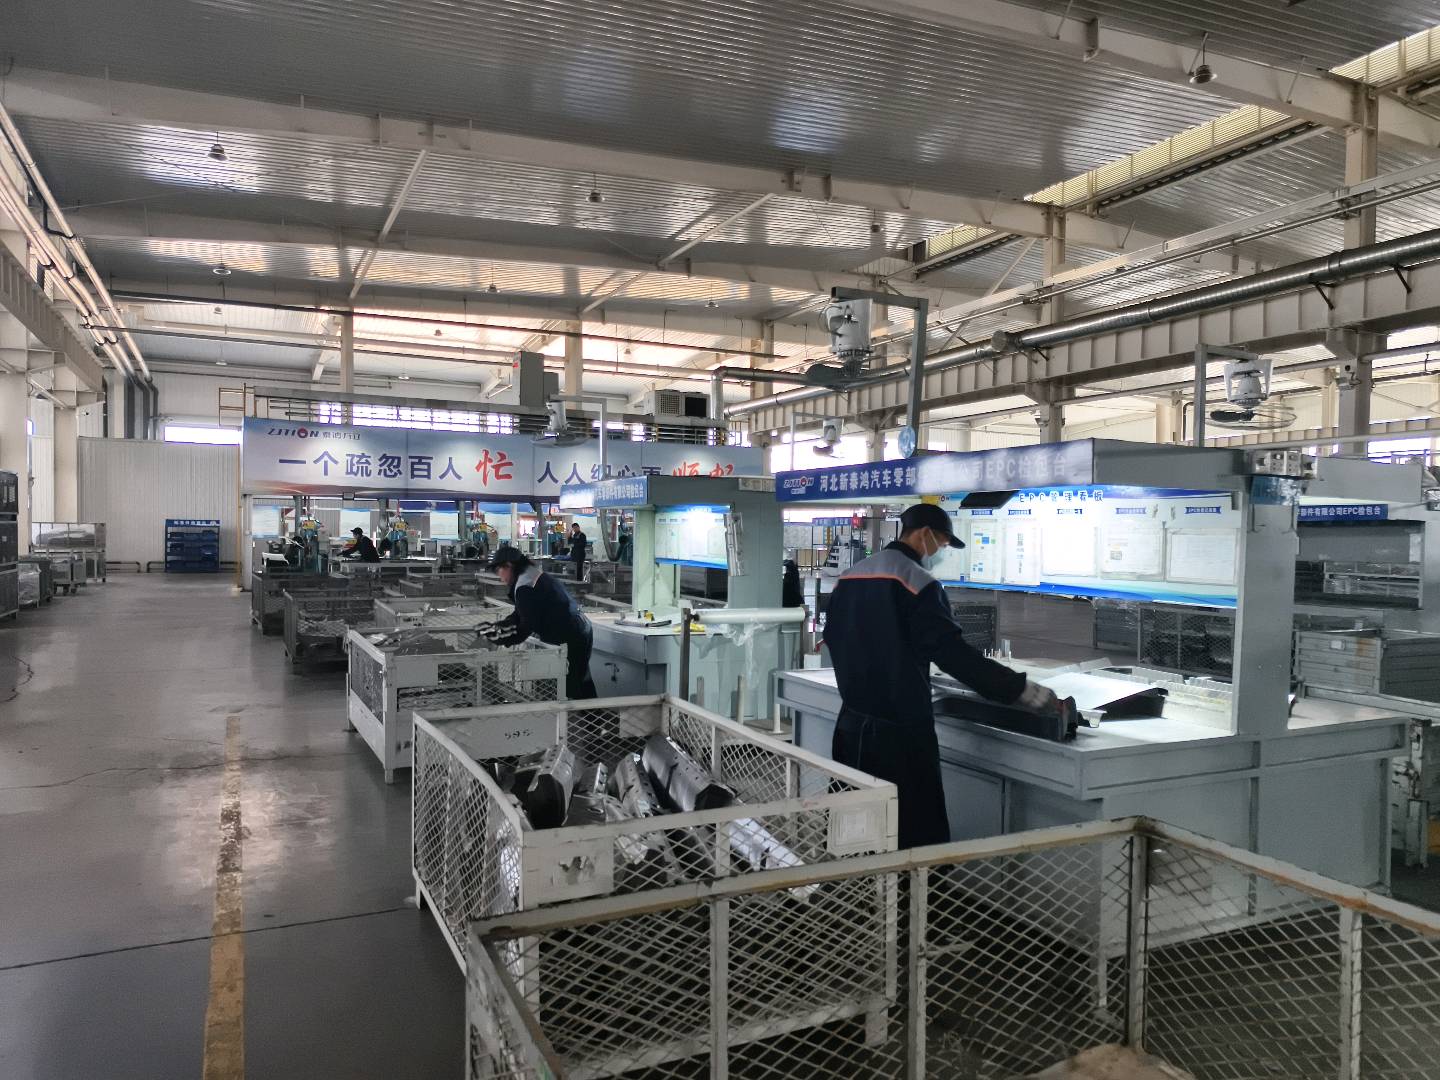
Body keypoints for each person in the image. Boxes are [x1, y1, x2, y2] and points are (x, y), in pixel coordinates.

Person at [823, 503, 1061, 849]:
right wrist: (1020, 690)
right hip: (900, 735)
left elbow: (835, 637)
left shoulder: (850, 577)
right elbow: (952, 655)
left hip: (851, 725)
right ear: (925, 535)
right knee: (913, 832)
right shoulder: (918, 582)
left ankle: (857, 882)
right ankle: (910, 887)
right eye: (944, 544)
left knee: (855, 827)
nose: (941, 553)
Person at [488, 547, 598, 699]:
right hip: (580, 627)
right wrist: (501, 626)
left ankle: (579, 713)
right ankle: (591, 712)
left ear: (508, 566)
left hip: (569, 633)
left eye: (498, 570)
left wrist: (502, 638)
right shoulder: (530, 575)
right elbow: (521, 613)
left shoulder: (525, 585)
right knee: (580, 678)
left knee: (571, 682)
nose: (500, 577)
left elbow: (526, 626)